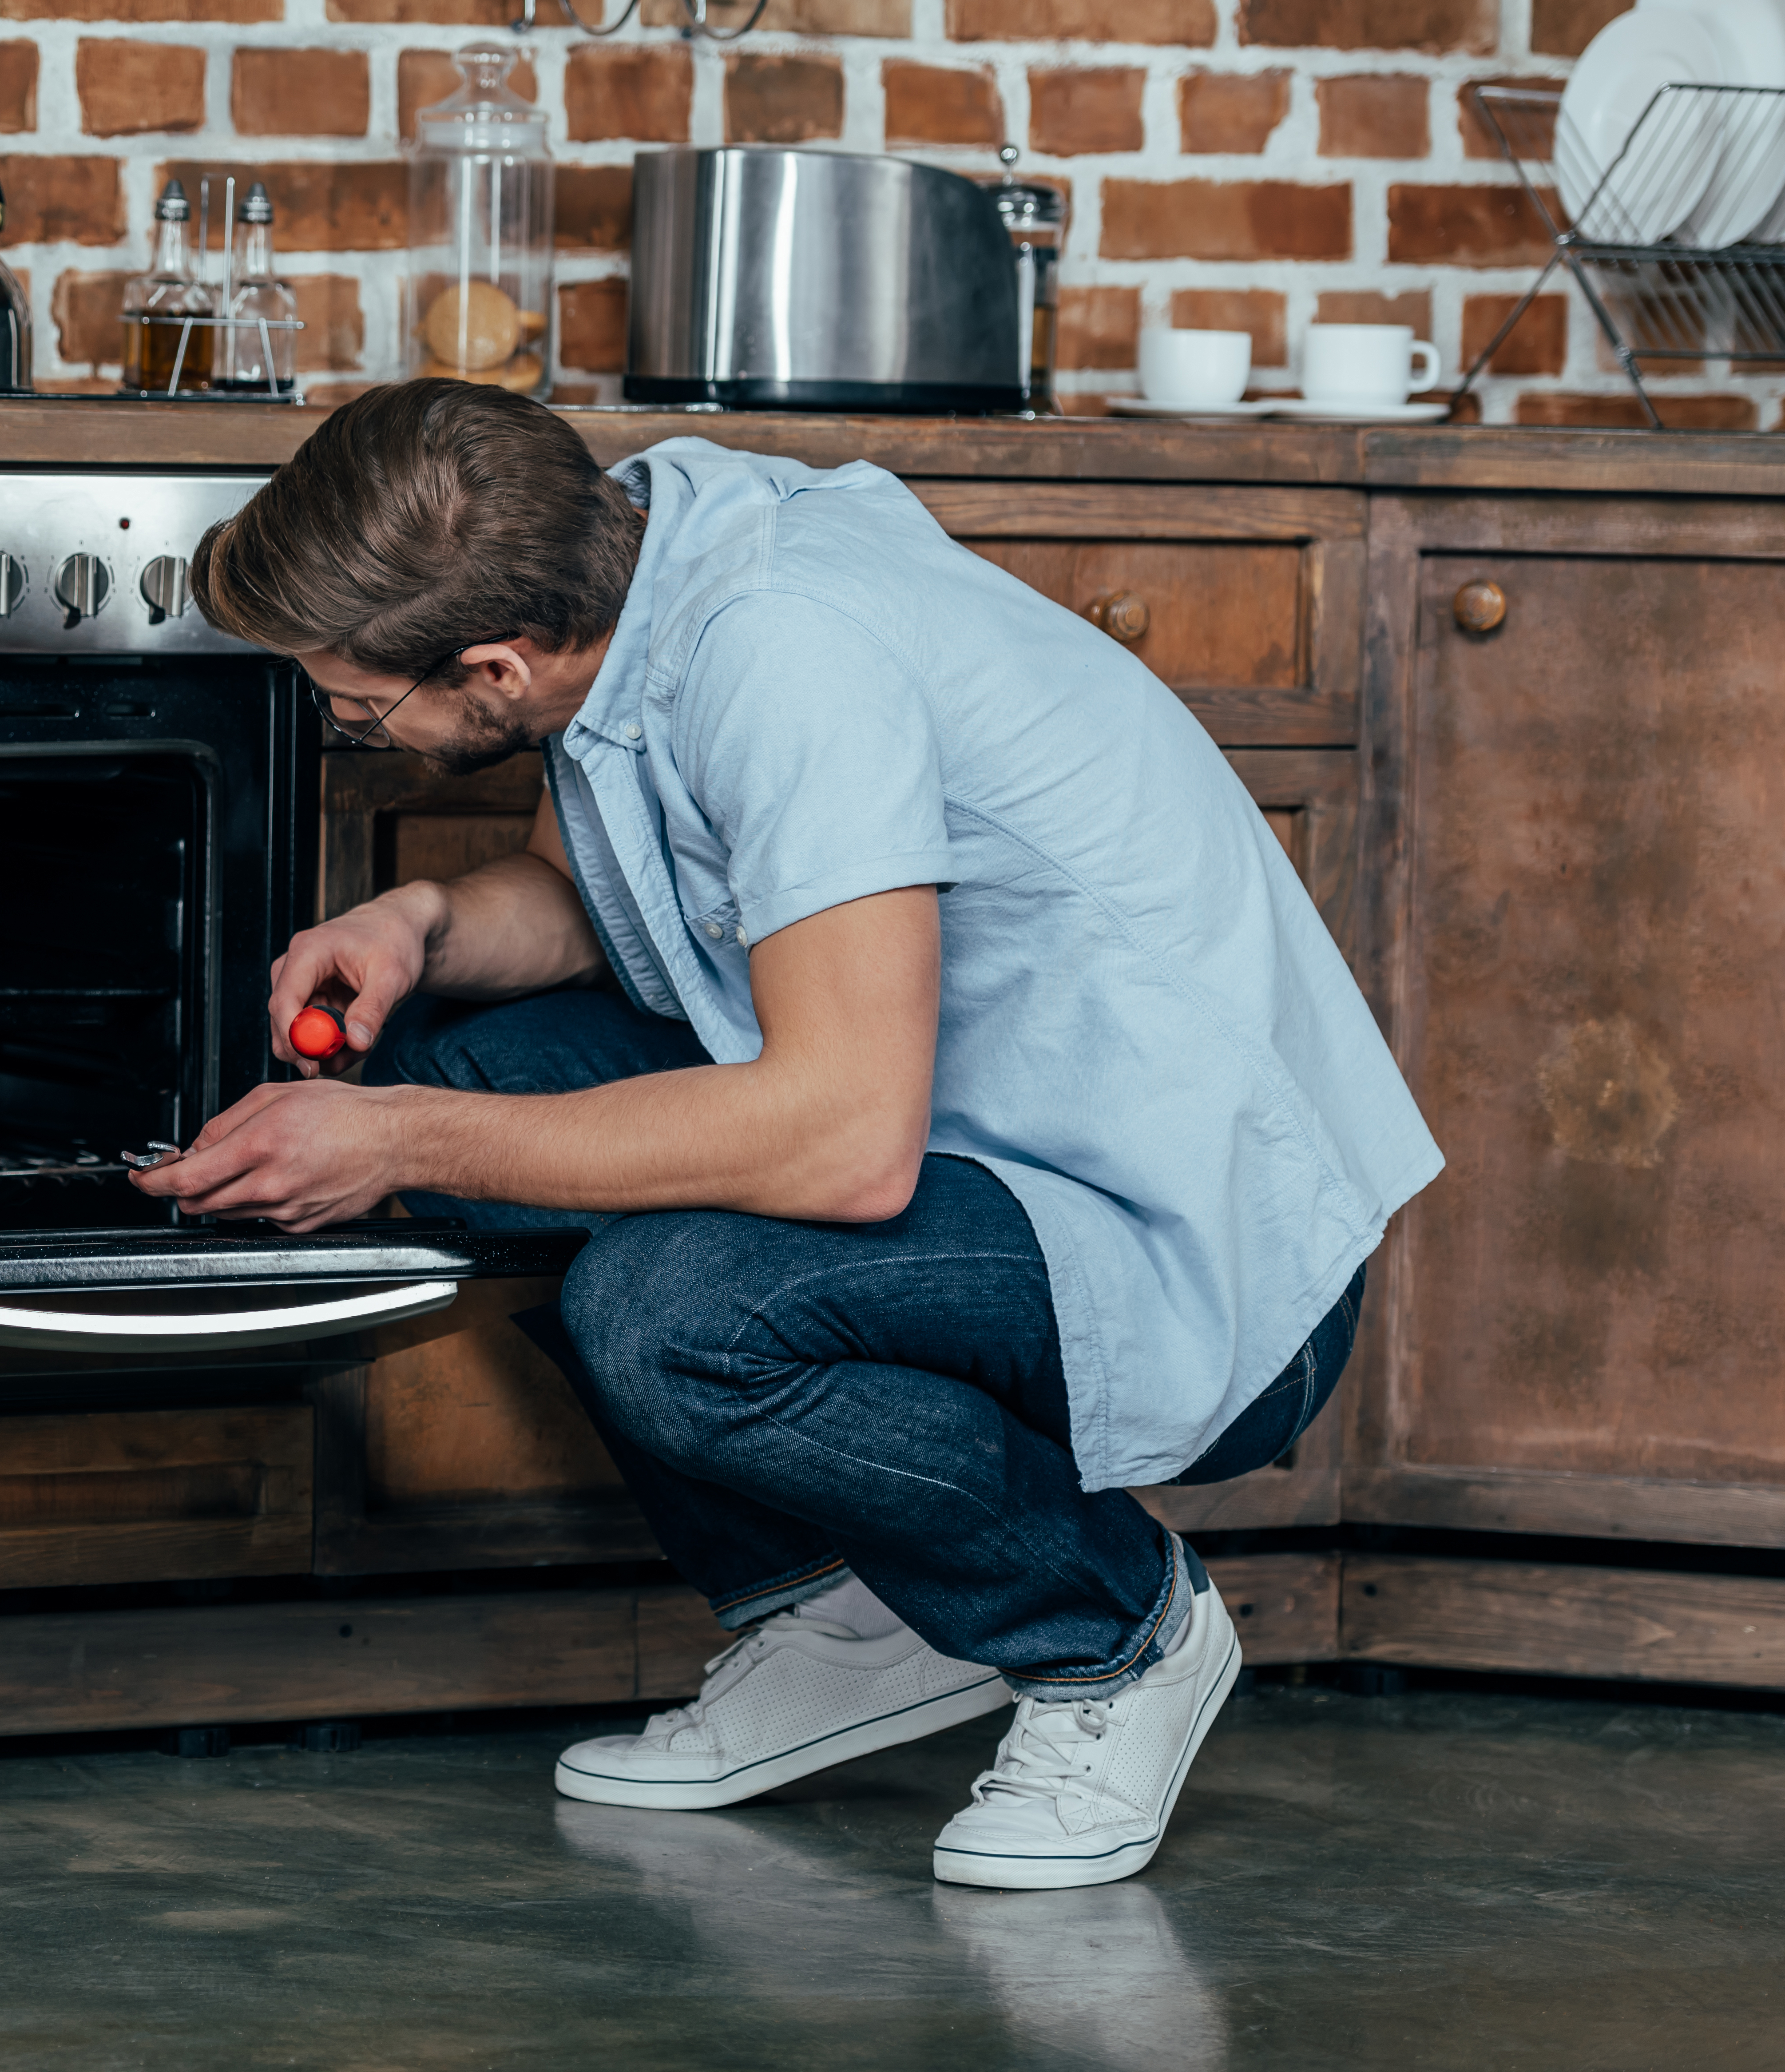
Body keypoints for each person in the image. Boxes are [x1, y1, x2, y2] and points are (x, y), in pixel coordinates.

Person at [130, 381, 1440, 1891]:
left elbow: (842, 1144)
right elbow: (600, 898)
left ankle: (1116, 1634)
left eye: (362, 708)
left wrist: (402, 1139)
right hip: (954, 1128)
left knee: (670, 1310)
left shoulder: (785, 652)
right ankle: (854, 1620)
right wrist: (417, 919)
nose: (350, 726)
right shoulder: (641, 546)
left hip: (1181, 1226)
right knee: (444, 1049)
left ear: (495, 667)